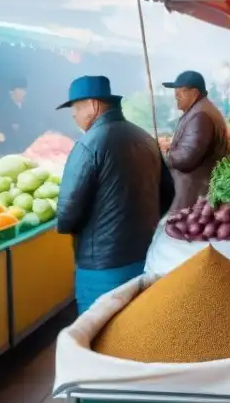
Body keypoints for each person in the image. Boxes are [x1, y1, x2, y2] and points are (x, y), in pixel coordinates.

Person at [56, 76, 174, 313]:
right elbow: (168, 193)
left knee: (99, 334)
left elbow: (66, 217)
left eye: (77, 107)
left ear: (94, 105)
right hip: (145, 255)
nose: (73, 114)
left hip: (102, 267)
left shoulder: (88, 145)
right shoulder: (145, 138)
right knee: (134, 327)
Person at [162, 71, 230, 210]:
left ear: (194, 93)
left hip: (195, 194)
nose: (175, 95)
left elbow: (186, 158)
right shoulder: (200, 110)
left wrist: (159, 155)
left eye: (180, 91)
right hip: (196, 192)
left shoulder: (200, 116)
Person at [0, 77, 31, 154]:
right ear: (12, 91)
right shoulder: (3, 108)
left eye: (25, 90)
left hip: (24, 148)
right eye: (22, 90)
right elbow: (2, 130)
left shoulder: (26, 106)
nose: (24, 93)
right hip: (8, 150)